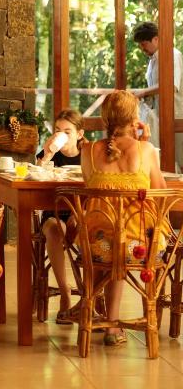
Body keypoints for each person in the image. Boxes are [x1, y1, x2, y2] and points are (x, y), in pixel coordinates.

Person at [80, 90, 167, 346]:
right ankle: (113, 323)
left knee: (111, 235)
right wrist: (144, 143)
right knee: (124, 236)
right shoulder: (146, 150)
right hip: (139, 246)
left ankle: (103, 317)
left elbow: (89, 190)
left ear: (105, 118)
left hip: (95, 246)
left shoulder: (88, 151)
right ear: (134, 118)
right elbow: (160, 194)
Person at [37, 108, 86, 323]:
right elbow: (35, 177)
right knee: (56, 230)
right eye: (58, 130)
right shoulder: (50, 154)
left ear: (79, 134)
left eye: (67, 131)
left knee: (85, 224)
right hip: (53, 213)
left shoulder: (88, 156)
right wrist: (47, 155)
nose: (61, 135)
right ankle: (65, 291)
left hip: (80, 212)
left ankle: (89, 296)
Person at [132, 21, 183, 158]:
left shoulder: (173, 55)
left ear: (156, 39)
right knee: (164, 157)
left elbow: (171, 85)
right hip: (160, 116)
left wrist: (143, 92)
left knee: (178, 157)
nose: (142, 48)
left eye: (144, 44)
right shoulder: (153, 60)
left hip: (176, 115)